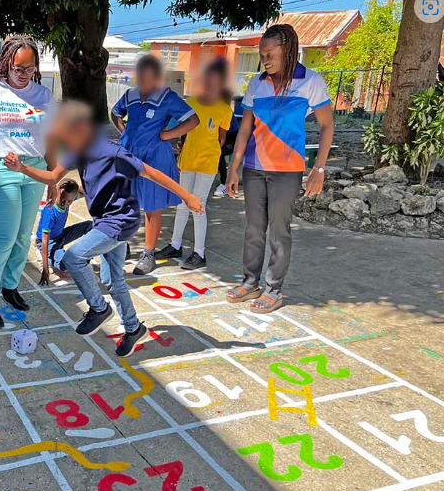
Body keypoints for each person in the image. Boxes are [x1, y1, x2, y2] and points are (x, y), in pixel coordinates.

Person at [5, 102, 203, 357]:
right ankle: (133, 328)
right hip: (103, 220)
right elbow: (53, 176)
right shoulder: (78, 151)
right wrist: (22, 168)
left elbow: (152, 173)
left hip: (121, 221)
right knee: (112, 278)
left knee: (73, 257)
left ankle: (99, 309)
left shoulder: (113, 153)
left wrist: (187, 196)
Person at [225, 24, 333, 313]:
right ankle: (251, 282)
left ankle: (274, 289)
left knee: (279, 231)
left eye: (270, 54)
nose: (265, 60)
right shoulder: (257, 84)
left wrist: (318, 169)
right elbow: (245, 129)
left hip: (286, 170)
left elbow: (326, 125)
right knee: (253, 228)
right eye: (262, 55)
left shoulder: (310, 81)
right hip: (254, 167)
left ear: (287, 51)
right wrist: (233, 168)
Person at [0, 35, 56, 329]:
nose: (22, 74)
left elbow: (50, 141)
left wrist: (53, 179)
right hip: (1, 169)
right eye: (17, 68)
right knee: (4, 237)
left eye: (28, 69)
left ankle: (10, 286)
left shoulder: (43, 96)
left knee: (22, 236)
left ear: (35, 67)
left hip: (34, 171)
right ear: (6, 64)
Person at [111, 55, 200, 276]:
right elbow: (115, 113)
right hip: (129, 155)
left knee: (151, 205)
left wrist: (168, 134)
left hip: (154, 157)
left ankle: (148, 253)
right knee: (125, 201)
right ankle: (124, 243)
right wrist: (125, 132)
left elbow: (193, 120)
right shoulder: (130, 95)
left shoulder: (168, 98)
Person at [167, 58, 234, 270]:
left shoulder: (224, 109)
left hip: (207, 163)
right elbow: (182, 132)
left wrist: (209, 151)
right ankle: (175, 245)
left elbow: (221, 139)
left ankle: (199, 253)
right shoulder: (190, 104)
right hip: (187, 160)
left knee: (198, 206)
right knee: (181, 204)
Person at [36, 179, 92, 284]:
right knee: (66, 264)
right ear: (57, 192)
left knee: (90, 226)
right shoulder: (50, 212)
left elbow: (88, 190)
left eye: (69, 201)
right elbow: (44, 240)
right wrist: (45, 270)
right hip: (48, 241)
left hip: (60, 235)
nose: (65, 203)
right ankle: (48, 259)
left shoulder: (68, 196)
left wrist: (74, 187)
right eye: (62, 199)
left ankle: (83, 255)